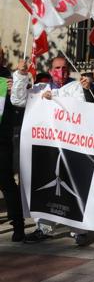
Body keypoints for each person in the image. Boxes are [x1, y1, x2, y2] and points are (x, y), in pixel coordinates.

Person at [12, 56, 91, 245]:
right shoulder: (40, 88)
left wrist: (54, 98)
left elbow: (80, 107)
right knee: (44, 186)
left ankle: (79, 230)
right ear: (49, 70)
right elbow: (17, 100)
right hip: (45, 146)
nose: (61, 72)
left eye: (64, 68)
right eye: (57, 68)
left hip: (69, 146)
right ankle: (44, 228)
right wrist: (21, 75)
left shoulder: (75, 88)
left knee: (71, 187)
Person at [0, 47, 24, 242]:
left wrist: (11, 89)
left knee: (7, 182)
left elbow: (18, 102)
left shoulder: (8, 77)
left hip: (2, 138)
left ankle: (18, 225)